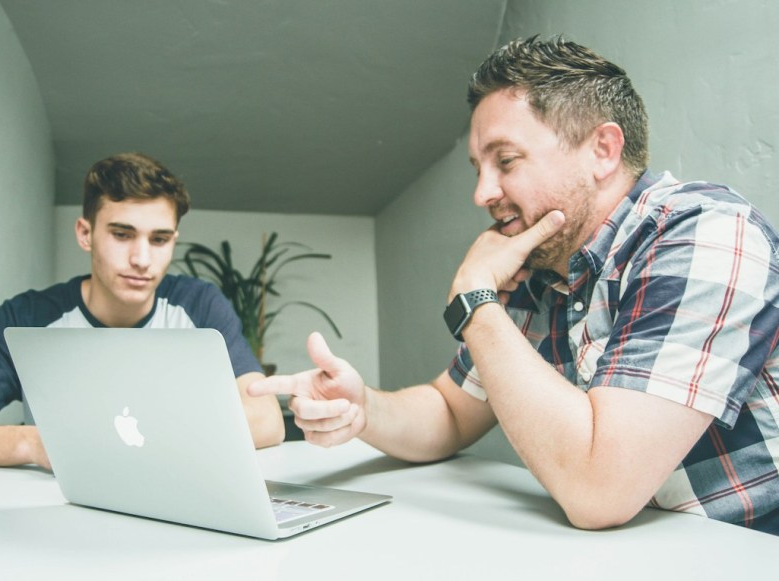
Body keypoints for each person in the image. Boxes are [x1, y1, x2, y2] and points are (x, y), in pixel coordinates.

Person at [249, 36, 779, 535]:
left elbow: (600, 491)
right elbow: (451, 410)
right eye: (478, 168)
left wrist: (477, 299)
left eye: (505, 161)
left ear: (603, 150)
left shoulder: (707, 234)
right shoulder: (543, 265)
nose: (482, 192)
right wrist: (364, 408)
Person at [0, 152, 285, 469]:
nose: (141, 258)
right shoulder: (27, 317)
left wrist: (136, 437)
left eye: (160, 239)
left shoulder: (199, 305)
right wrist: (37, 444)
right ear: (86, 234)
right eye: (122, 234)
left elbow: (267, 420)